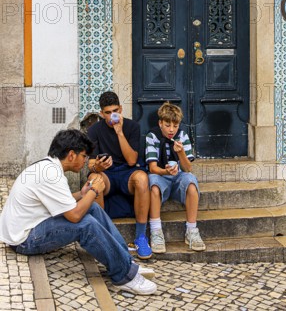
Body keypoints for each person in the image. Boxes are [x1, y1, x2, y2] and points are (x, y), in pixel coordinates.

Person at [0, 130, 157, 296]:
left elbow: (62, 202)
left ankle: (126, 261)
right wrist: (94, 191)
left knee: (93, 208)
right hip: (24, 239)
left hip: (32, 225)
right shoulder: (51, 175)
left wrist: (82, 194)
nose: (86, 161)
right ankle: (123, 276)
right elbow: (74, 216)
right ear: (71, 155)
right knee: (86, 225)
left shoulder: (48, 166)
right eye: (84, 156)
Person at [87, 91, 152, 259]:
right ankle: (103, 238)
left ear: (121, 110)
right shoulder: (94, 130)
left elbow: (131, 161)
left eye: (114, 111)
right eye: (107, 113)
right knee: (93, 180)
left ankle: (141, 237)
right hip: (106, 174)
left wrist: (119, 133)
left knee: (143, 178)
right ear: (101, 113)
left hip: (127, 173)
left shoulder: (132, 127)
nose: (111, 116)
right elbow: (90, 164)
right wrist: (98, 166)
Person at [145, 102, 206, 254]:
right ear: (160, 123)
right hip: (161, 175)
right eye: (167, 125)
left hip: (178, 177)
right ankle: (156, 231)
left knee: (191, 181)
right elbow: (152, 168)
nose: (171, 130)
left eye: (175, 125)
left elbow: (188, 168)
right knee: (153, 184)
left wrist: (180, 153)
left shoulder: (182, 136)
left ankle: (191, 230)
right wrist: (166, 172)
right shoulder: (152, 136)